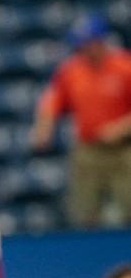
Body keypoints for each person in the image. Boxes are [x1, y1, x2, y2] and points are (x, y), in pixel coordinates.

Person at [31, 12, 131, 228]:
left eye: (89, 43)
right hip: (88, 150)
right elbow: (51, 102)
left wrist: (121, 128)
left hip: (124, 150)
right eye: (81, 44)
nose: (85, 49)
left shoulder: (125, 66)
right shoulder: (71, 70)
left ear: (101, 41)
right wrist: (44, 127)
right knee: (84, 213)